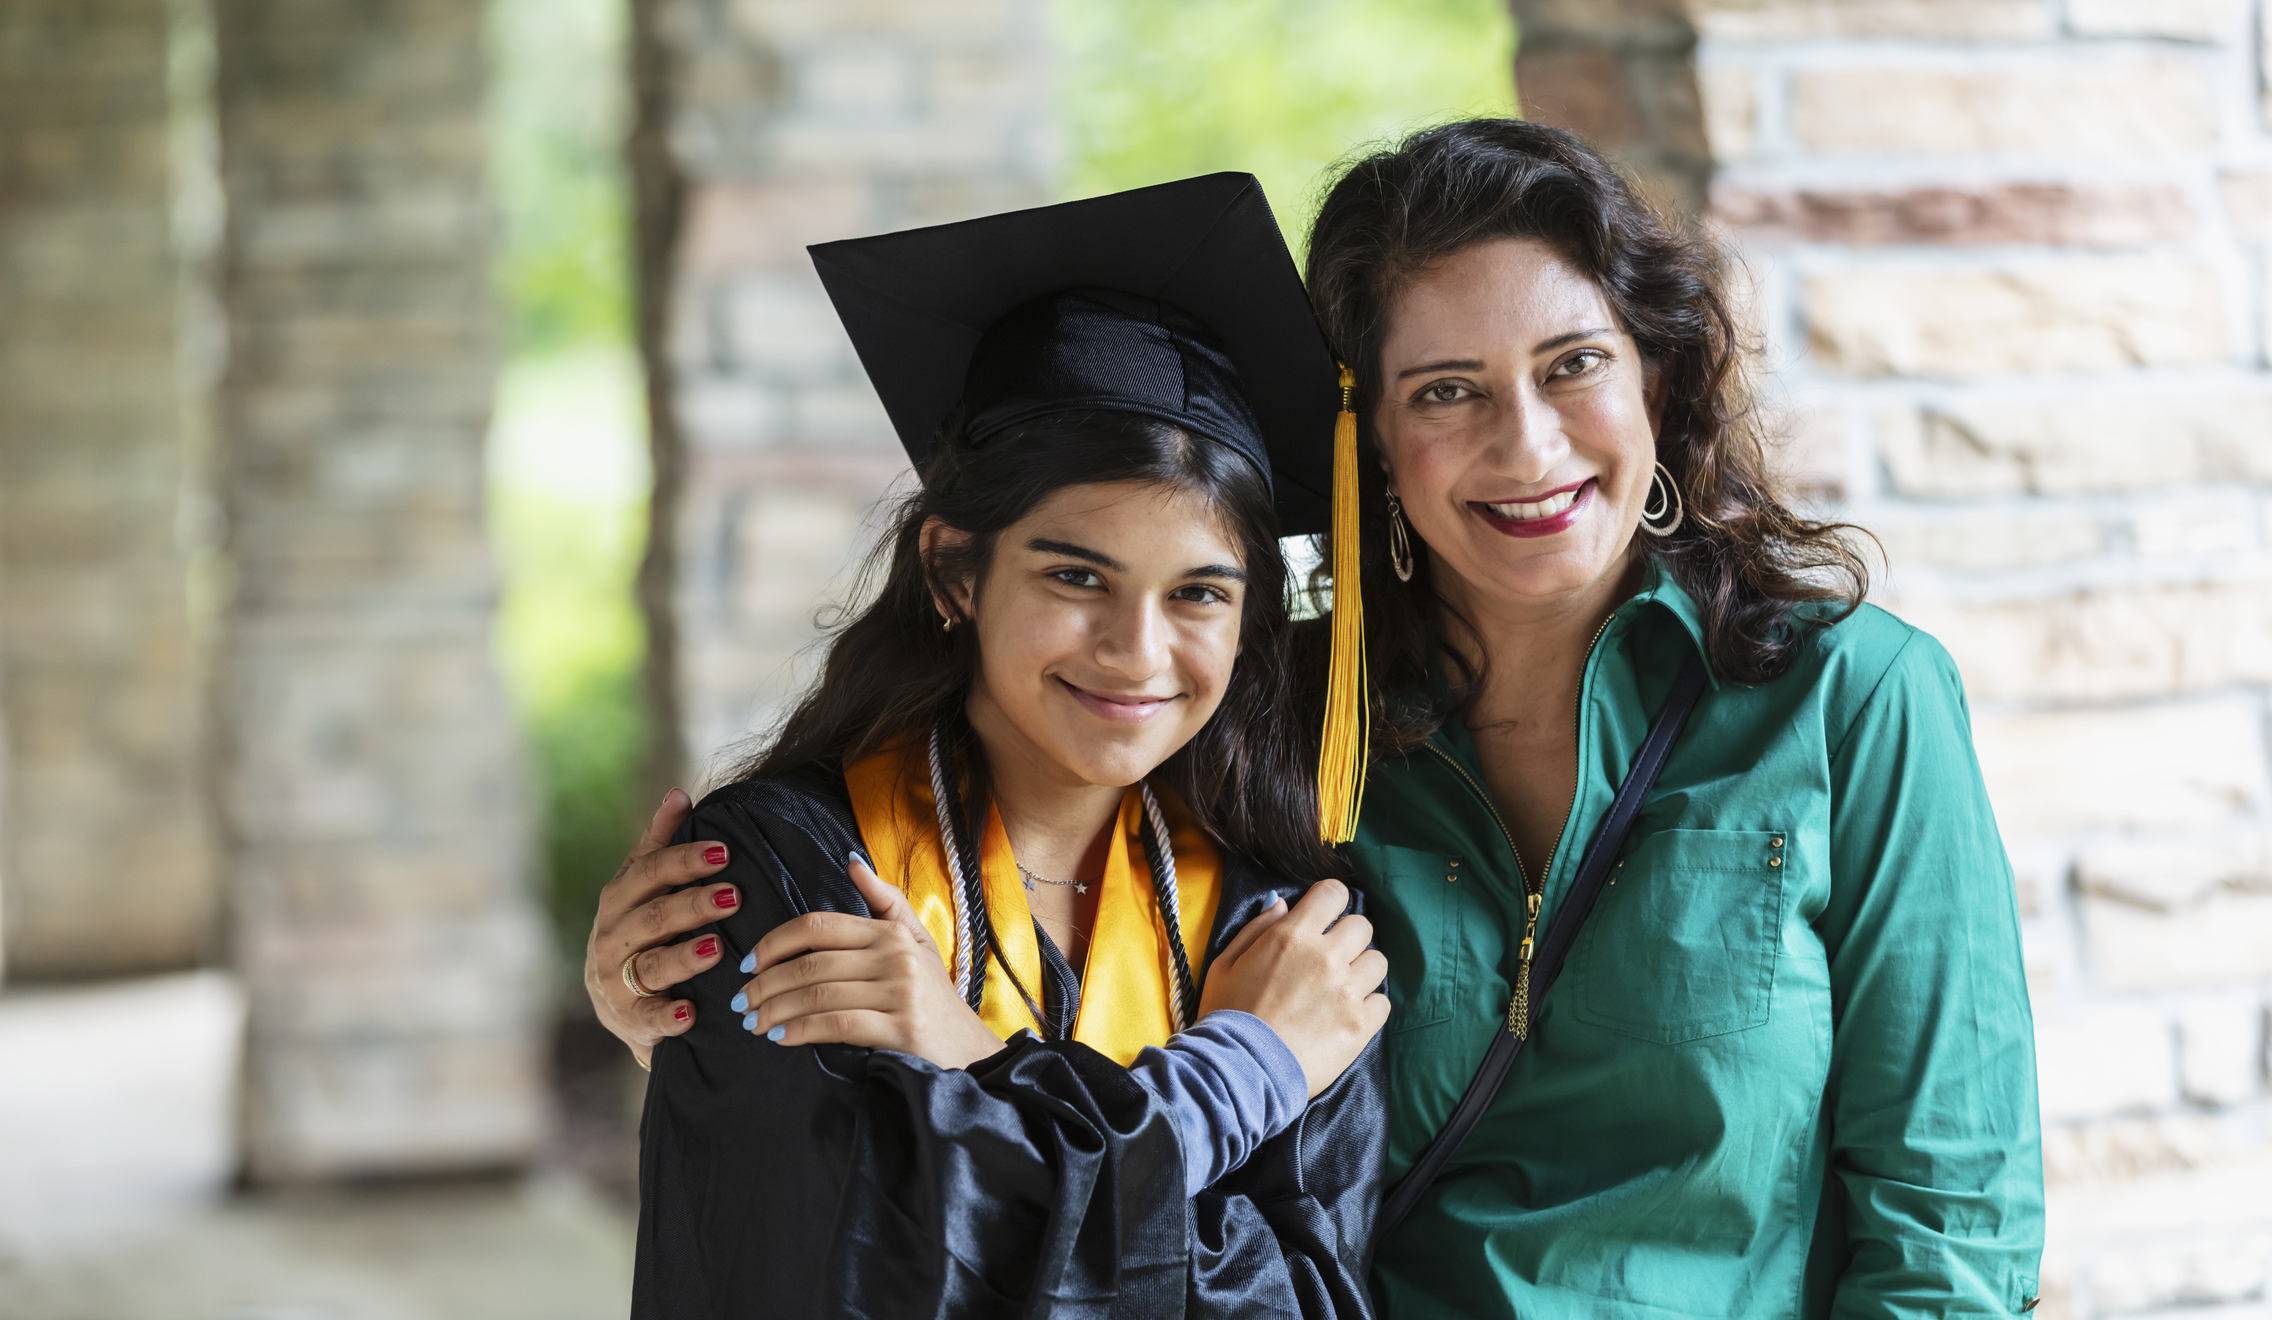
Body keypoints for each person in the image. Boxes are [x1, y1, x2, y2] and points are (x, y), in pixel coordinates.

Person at [607, 174, 1391, 1319]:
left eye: (1199, 595)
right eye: (1075, 575)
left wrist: (968, 1078)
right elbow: (852, 1271)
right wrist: (1244, 1075)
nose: (1136, 650)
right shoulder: (784, 877)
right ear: (952, 569)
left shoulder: (1282, 920)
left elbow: (1311, 1299)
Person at [1306, 119, 2044, 1317]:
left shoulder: (1853, 697)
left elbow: (1949, 1220)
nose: (1527, 443)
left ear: (1655, 371)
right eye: (1445, 391)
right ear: (1374, 444)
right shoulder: (1299, 733)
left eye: (1571, 364)